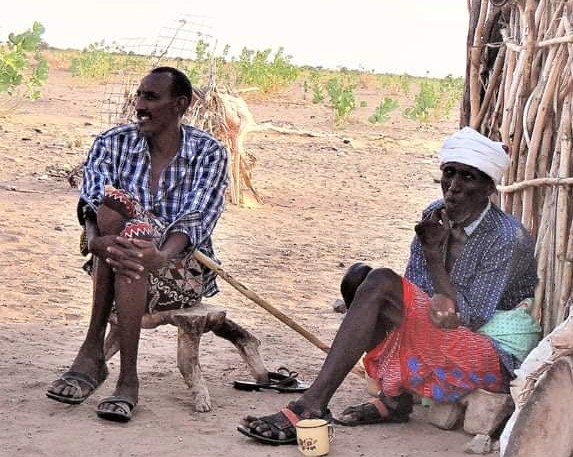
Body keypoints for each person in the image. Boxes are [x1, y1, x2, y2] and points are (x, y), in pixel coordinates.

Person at [238, 126, 540, 445]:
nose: (453, 187)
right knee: (359, 277)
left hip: (490, 352)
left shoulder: (506, 237)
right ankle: (395, 399)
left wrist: (434, 257)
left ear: (489, 186)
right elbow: (416, 290)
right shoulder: (434, 215)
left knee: (381, 282)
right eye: (449, 173)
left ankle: (310, 405)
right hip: (444, 332)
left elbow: (470, 318)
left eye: (468, 177)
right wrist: (430, 260)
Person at [46, 67, 229, 422]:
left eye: (151, 97)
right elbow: (93, 201)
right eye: (139, 95)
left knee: (134, 236)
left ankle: (98, 361)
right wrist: (96, 240)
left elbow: (197, 219)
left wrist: (159, 255)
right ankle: (119, 374)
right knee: (117, 214)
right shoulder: (112, 141)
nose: (140, 105)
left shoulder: (209, 153)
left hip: (180, 269)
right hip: (115, 256)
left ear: (180, 105)